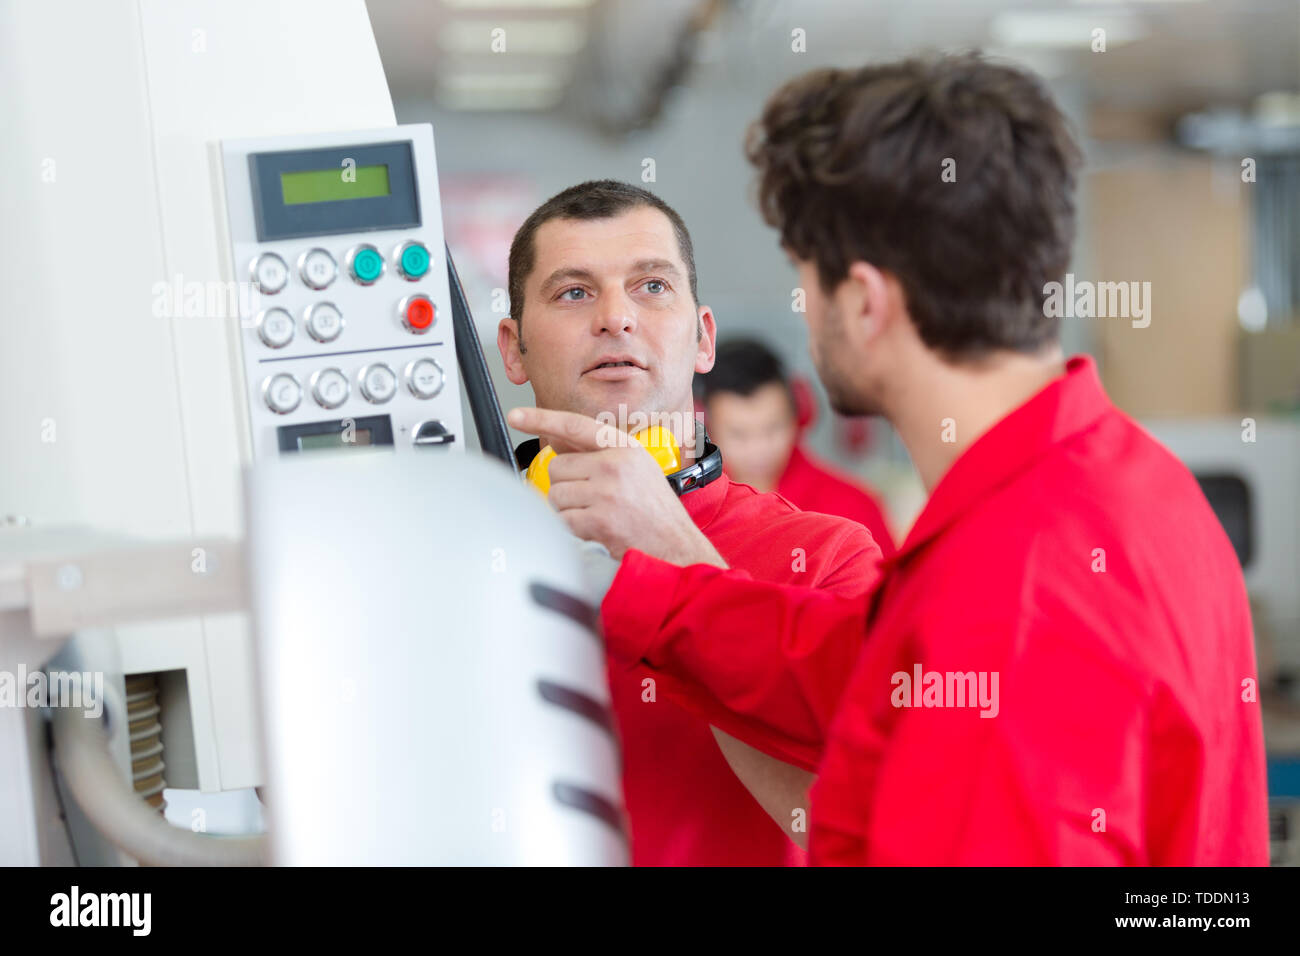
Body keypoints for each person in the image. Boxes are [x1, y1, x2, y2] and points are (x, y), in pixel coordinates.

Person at [508, 54, 1269, 864]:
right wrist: (668, 574)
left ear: (863, 302)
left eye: (807, 280)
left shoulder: (1012, 575)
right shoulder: (1124, 489)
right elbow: (834, 673)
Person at [496, 179, 882, 865]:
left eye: (651, 287)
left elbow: (871, 824)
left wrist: (671, 553)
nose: (616, 318)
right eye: (574, 292)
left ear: (703, 339)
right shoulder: (460, 563)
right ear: (513, 349)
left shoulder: (825, 557)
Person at [700, 337, 895, 556]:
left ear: (799, 416)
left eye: (773, 428)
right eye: (739, 434)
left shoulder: (855, 508)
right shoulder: (690, 514)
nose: (759, 449)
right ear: (707, 429)